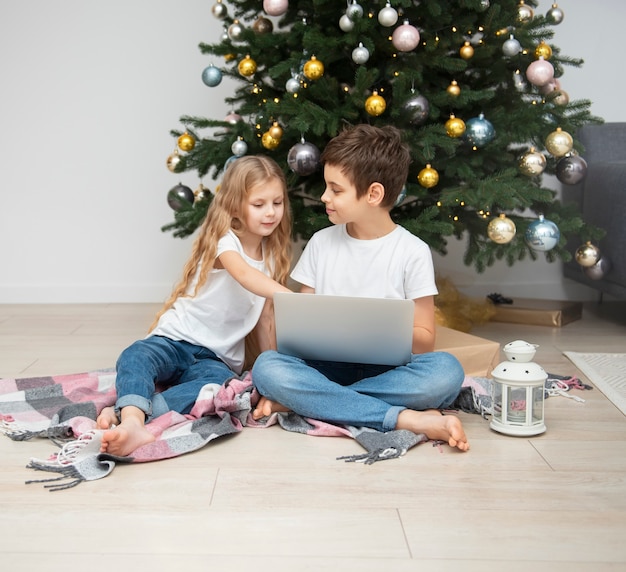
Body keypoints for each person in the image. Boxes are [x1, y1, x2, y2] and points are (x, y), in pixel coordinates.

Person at [251, 124, 469, 451]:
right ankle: (405, 418)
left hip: (389, 370)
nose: (324, 197)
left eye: (335, 190)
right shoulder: (321, 243)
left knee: (446, 373)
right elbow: (298, 330)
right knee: (267, 368)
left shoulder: (412, 252)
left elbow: (425, 340)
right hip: (324, 367)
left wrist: (375, 328)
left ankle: (312, 402)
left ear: (373, 194)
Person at [97, 155, 293, 456]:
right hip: (177, 338)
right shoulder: (226, 242)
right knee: (135, 356)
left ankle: (130, 419)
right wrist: (291, 297)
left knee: (212, 390)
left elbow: (266, 319)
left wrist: (271, 373)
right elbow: (243, 275)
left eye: (277, 203)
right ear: (236, 205)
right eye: (259, 204)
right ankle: (133, 418)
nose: (270, 212)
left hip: (216, 359)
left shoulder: (271, 253)